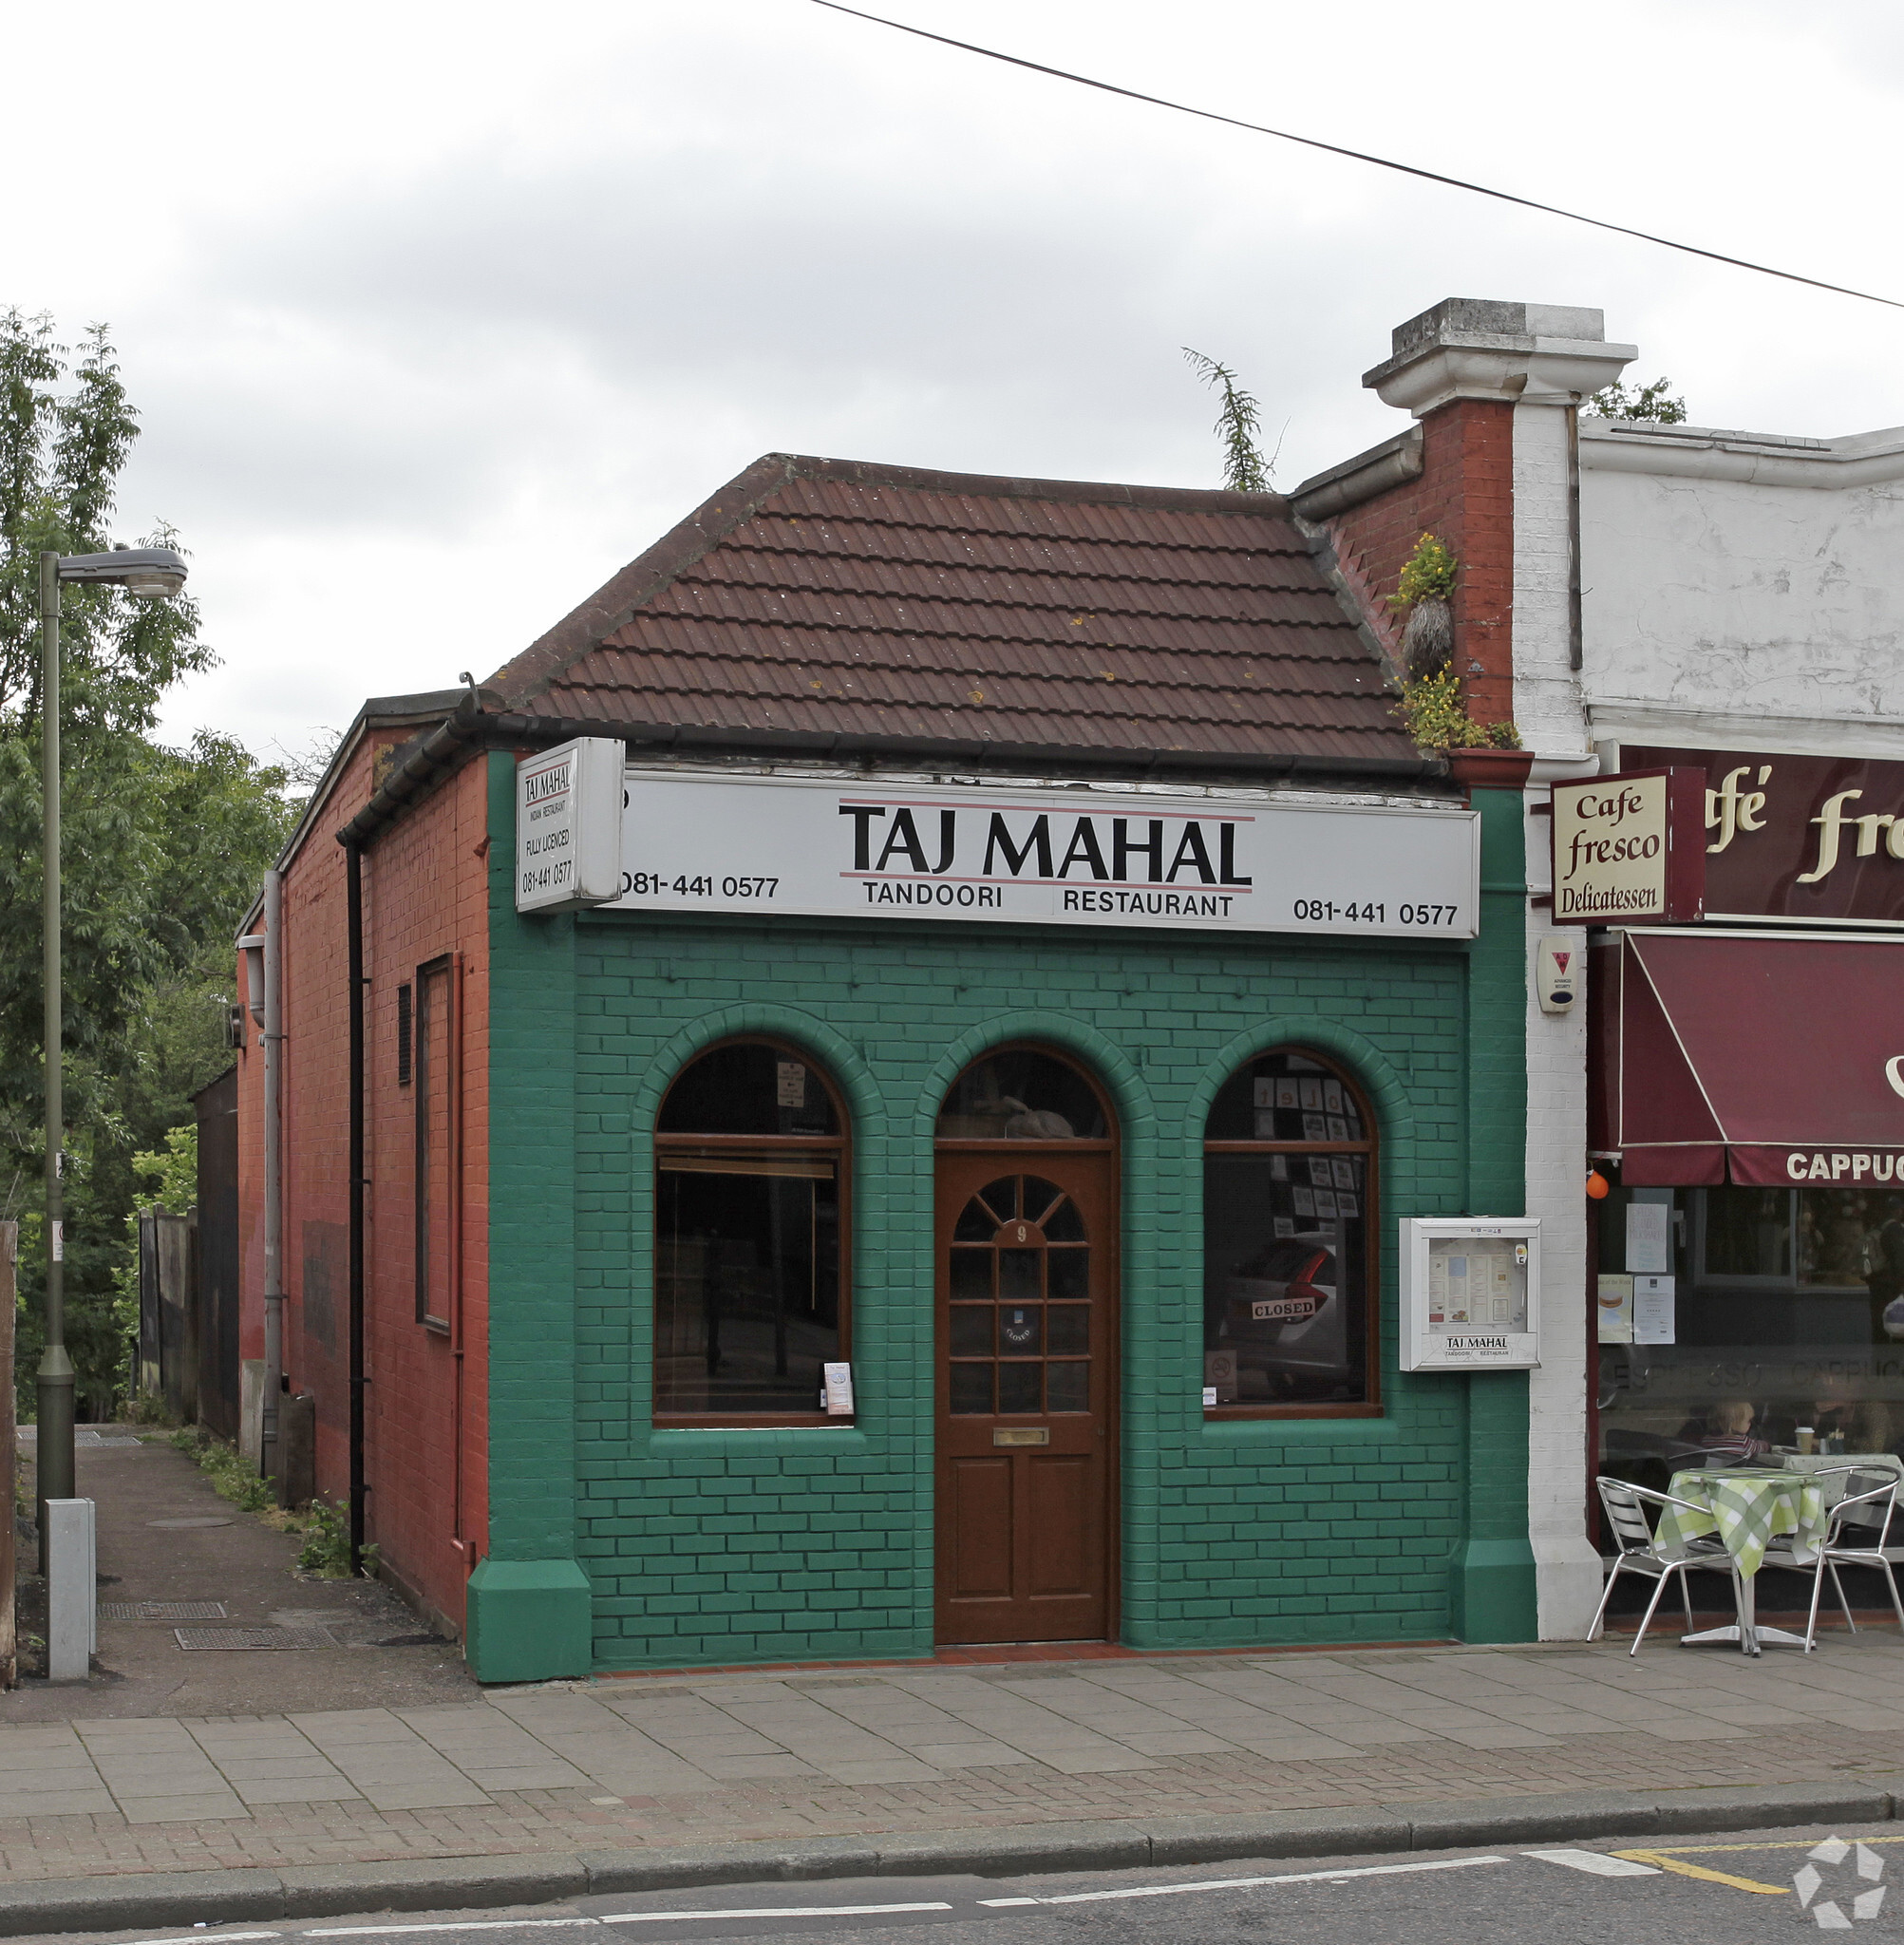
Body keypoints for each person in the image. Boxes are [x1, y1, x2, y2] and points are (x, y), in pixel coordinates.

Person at [1699, 1400, 1767, 1463]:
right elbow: (1758, 1447)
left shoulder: (1707, 1440)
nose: (1750, 1423)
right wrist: (1767, 1446)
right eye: (1748, 1421)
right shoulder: (1743, 1442)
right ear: (1733, 1424)